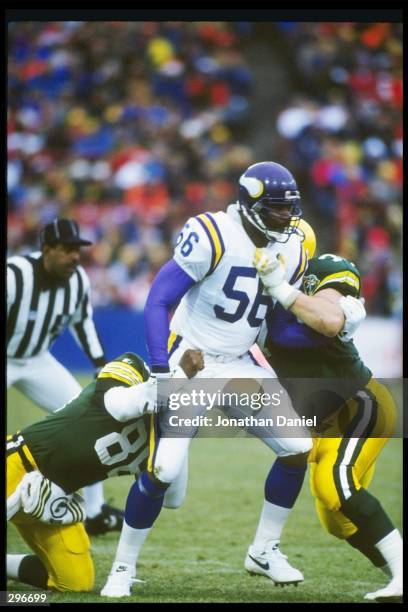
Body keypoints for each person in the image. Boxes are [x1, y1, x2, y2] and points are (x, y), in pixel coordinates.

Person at [101, 161, 317, 597]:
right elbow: (159, 300)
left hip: (239, 361)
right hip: (193, 360)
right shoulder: (213, 233)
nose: (287, 216)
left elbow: (276, 323)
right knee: (163, 469)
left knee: (298, 447)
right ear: (251, 204)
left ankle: (264, 549)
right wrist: (163, 369)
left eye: (290, 207)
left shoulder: (294, 246)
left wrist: (326, 327)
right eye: (277, 207)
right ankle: (122, 568)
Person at [253, 247, 402, 603]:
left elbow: (329, 319)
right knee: (337, 521)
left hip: (357, 400)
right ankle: (394, 575)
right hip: (321, 422)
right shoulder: (247, 295)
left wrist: (281, 288)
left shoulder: (322, 270)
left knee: (336, 484)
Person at [6, 349, 203, 593]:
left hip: (50, 499)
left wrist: (178, 438)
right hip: (19, 462)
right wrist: (179, 377)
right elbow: (121, 407)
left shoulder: (167, 438)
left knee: (75, 583)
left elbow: (173, 498)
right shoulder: (132, 368)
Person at [7, 218, 123, 535]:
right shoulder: (14, 276)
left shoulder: (77, 280)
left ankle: (95, 510)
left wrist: (101, 364)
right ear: (47, 249)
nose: (75, 256)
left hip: (36, 359)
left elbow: (82, 323)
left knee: (91, 419)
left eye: (78, 250)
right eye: (68, 249)